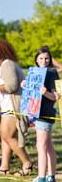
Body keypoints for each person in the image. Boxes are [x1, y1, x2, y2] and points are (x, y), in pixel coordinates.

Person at [0, 39, 32, 176]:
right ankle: (4, 167)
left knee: (7, 135)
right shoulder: (5, 65)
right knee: (5, 137)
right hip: (7, 107)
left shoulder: (7, 65)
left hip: (12, 107)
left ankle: (27, 162)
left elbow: (11, 86)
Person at [25, 47, 58, 182]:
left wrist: (46, 93)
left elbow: (56, 96)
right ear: (36, 60)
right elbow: (30, 93)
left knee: (41, 146)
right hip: (36, 113)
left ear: (50, 60)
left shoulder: (52, 73)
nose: (44, 61)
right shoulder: (34, 73)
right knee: (48, 145)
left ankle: (42, 177)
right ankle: (51, 176)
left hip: (45, 114)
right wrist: (25, 85)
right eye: (41, 58)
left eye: (46, 58)